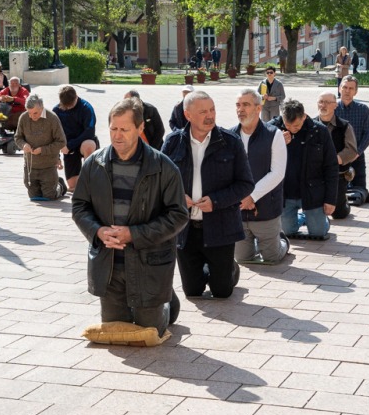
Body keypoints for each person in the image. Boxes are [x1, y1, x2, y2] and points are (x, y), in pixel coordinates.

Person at [73, 97, 188, 336]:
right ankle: (160, 297)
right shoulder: (94, 164)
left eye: (124, 129)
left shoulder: (164, 167)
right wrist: (97, 231)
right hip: (109, 263)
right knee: (117, 331)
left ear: (140, 128)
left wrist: (134, 234)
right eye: (113, 128)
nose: (117, 135)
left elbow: (178, 215)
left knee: (149, 329)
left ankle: (168, 303)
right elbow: (80, 206)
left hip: (148, 263)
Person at [162, 91, 253, 298]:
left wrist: (216, 201)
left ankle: (229, 269)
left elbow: (246, 184)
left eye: (212, 110)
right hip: (185, 229)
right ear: (188, 115)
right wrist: (177, 197)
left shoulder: (231, 142)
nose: (210, 115)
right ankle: (210, 269)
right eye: (203, 112)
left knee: (222, 292)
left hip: (221, 227)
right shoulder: (173, 142)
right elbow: (159, 181)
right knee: (192, 292)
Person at [231, 89, 288, 264]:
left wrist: (252, 196)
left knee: (272, 258)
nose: (240, 109)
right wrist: (241, 197)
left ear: (258, 108)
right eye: (238, 105)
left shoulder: (274, 134)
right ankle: (258, 244)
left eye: (246, 105)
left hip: (266, 210)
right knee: (242, 258)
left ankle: (282, 240)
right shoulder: (229, 136)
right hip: (239, 212)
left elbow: (277, 172)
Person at [271, 99, 338, 238]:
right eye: (287, 125)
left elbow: (331, 166)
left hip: (312, 191)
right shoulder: (271, 129)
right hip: (285, 193)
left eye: (296, 125)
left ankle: (320, 220)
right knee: (287, 232)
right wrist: (277, 143)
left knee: (318, 233)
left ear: (304, 116)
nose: (291, 129)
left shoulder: (320, 131)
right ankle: (303, 218)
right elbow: (259, 158)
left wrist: (330, 200)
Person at [15, 94, 68, 201]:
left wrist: (43, 150)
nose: (32, 116)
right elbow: (18, 137)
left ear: (42, 107)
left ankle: (60, 185)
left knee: (49, 196)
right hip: (30, 165)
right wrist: (24, 145)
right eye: (29, 113)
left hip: (48, 165)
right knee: (34, 197)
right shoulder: (24, 118)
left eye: (35, 113)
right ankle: (52, 183)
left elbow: (61, 142)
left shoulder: (52, 118)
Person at [315, 91, 358, 219]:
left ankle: (344, 202)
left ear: (335, 105)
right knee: (315, 210)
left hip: (337, 175)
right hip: (314, 175)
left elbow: (351, 151)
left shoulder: (344, 126)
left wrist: (333, 160)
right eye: (321, 102)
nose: (323, 105)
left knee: (338, 214)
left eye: (327, 102)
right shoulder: (309, 125)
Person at [54, 85, 99, 192]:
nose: (68, 108)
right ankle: (84, 184)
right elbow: (52, 135)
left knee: (88, 144)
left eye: (71, 105)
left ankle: (89, 178)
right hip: (68, 148)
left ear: (76, 97)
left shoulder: (86, 108)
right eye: (65, 106)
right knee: (73, 187)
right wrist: (57, 157)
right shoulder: (56, 110)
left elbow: (89, 132)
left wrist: (70, 145)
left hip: (83, 142)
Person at [336, 75, 369, 197]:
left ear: (356, 91)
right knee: (336, 191)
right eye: (345, 87)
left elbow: (368, 134)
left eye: (351, 88)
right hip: (337, 156)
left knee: (360, 191)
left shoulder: (363, 109)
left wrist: (357, 153)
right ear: (339, 88)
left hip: (357, 155)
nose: (347, 91)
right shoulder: (332, 108)